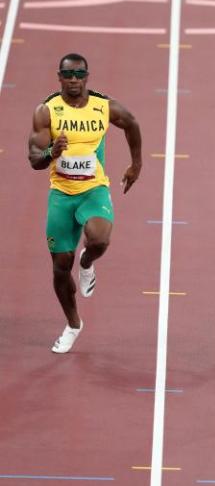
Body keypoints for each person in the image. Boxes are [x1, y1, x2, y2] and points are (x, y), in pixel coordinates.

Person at [28, 53, 142, 353]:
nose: (75, 79)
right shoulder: (46, 111)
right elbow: (34, 159)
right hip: (62, 195)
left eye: (80, 74)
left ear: (87, 76)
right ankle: (73, 324)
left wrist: (136, 166)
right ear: (60, 77)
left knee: (100, 240)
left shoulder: (102, 107)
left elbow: (131, 123)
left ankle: (87, 263)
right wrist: (53, 151)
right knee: (59, 267)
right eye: (69, 74)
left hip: (93, 190)